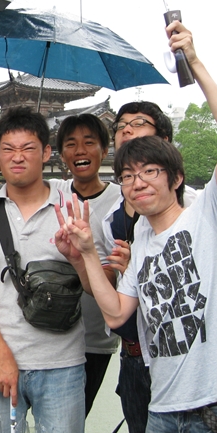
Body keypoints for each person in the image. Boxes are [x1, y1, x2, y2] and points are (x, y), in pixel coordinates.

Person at [55, 21, 217, 433]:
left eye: (150, 171)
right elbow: (117, 313)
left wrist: (194, 62)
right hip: (163, 409)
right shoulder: (141, 245)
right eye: (128, 175)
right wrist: (85, 254)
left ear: (176, 177)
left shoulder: (209, 212)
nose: (138, 182)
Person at [0, 106, 89, 433]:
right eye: (9, 149)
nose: (18, 157)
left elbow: (97, 288)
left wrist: (82, 257)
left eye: (28, 148)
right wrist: (2, 356)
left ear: (45, 153)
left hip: (62, 364)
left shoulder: (73, 209)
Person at [103, 100, 196, 433]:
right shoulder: (112, 219)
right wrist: (87, 259)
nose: (127, 130)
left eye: (139, 123)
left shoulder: (199, 210)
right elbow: (117, 308)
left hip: (200, 369)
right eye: (121, 126)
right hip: (138, 356)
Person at [52, 114, 121, 416]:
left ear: (105, 151)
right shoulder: (52, 193)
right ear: (61, 154)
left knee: (74, 420)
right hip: (47, 333)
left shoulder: (123, 200)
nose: (80, 150)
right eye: (71, 144)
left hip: (94, 339)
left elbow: (116, 278)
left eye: (89, 143)